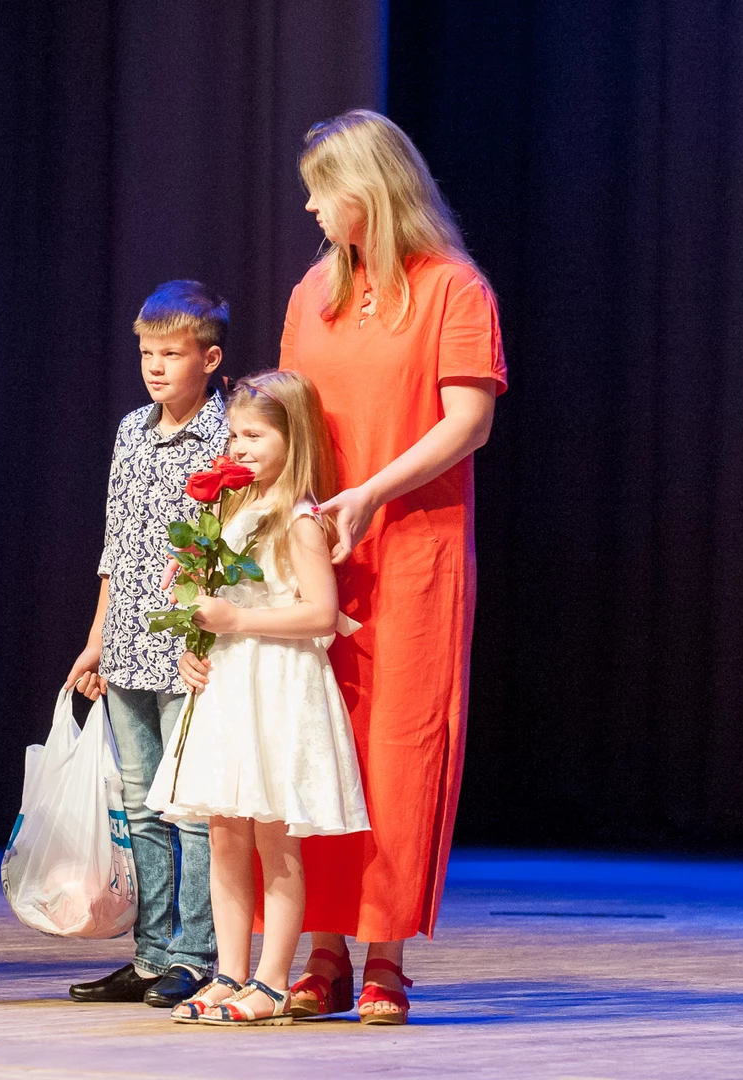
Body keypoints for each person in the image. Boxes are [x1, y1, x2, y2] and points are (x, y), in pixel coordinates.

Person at [187, 110, 507, 1024]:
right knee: (309, 744)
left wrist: (369, 493)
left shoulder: (452, 289)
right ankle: (320, 950)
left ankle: (383, 955)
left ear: (366, 190)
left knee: (395, 746)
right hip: (311, 545)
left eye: (320, 190)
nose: (309, 207)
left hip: (410, 549)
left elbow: (467, 421)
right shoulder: (312, 293)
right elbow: (285, 422)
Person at [149, 371, 369, 1025]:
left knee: (274, 837)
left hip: (274, 685)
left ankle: (271, 981)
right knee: (223, 834)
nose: (239, 447)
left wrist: (237, 620)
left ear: (291, 439)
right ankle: (229, 972)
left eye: (254, 435)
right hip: (228, 683)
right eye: (234, 435)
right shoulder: (229, 511)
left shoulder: (298, 519)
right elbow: (215, 605)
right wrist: (196, 642)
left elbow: (321, 614)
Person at [65, 281, 224, 1007]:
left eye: (171, 354)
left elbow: (233, 544)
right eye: (146, 354)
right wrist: (96, 637)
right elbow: (116, 542)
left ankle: (196, 953)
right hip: (127, 641)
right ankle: (153, 954)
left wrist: (213, 636)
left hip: (188, 648)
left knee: (190, 806)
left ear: (209, 359)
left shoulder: (226, 435)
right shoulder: (132, 429)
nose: (155, 367)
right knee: (140, 804)